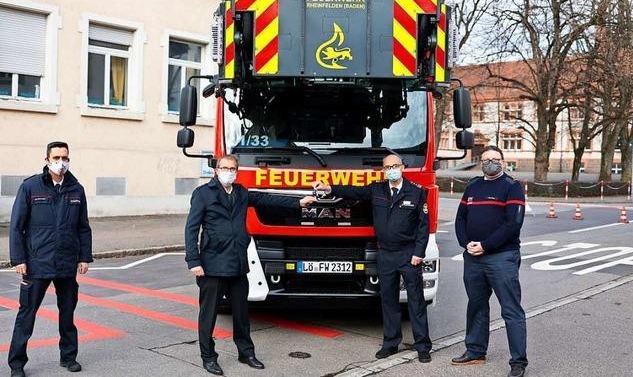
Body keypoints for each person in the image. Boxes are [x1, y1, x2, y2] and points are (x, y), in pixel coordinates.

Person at [185, 155, 317, 375]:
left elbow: (266, 199)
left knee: (241, 313)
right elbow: (191, 229)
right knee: (208, 315)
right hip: (212, 264)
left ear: (237, 171)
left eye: (232, 168)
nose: (229, 172)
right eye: (224, 168)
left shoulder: (240, 193)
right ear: (216, 170)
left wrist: (298, 202)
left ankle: (246, 352)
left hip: (237, 263)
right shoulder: (203, 194)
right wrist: (193, 261)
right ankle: (208, 357)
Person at [313, 153, 432, 363]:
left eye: (395, 166)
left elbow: (424, 226)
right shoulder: (376, 189)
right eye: (387, 167)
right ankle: (390, 343)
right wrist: (329, 188)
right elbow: (353, 191)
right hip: (385, 253)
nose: (392, 170)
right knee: (388, 301)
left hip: (408, 254)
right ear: (383, 170)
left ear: (402, 168)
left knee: (416, 301)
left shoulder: (416, 192)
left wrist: (418, 254)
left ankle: (422, 346)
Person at [8, 141, 92, 377]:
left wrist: (84, 256)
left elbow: (83, 227)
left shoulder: (76, 189)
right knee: (27, 315)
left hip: (66, 263)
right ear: (47, 160)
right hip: (37, 262)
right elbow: (17, 226)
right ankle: (16, 364)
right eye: (56, 158)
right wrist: (19, 259)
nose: (61, 163)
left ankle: (68, 357)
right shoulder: (31, 187)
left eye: (65, 158)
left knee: (68, 314)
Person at [452, 145, 528, 377]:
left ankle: (518, 362)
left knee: (511, 309)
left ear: (503, 162)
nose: (490, 163)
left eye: (495, 159)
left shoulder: (512, 187)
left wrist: (485, 246)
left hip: (502, 257)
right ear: (480, 162)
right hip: (473, 257)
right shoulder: (473, 186)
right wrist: (466, 244)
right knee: (476, 305)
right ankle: (475, 351)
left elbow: (513, 224)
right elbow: (460, 219)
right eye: (486, 160)